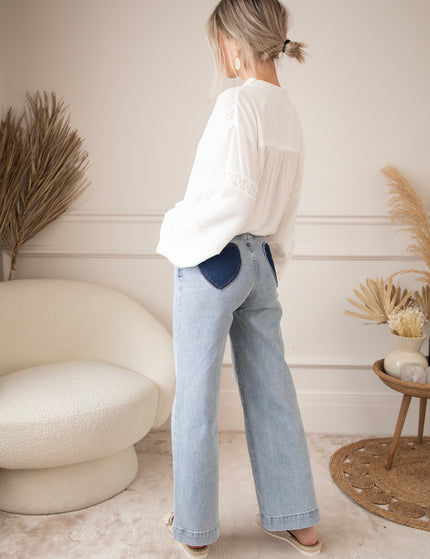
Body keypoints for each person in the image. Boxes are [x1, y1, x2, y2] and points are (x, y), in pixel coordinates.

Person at [157, 1, 321, 556]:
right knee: (274, 390)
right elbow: (287, 205)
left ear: (233, 42)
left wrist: (175, 225)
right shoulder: (289, 112)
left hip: (214, 260)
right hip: (261, 264)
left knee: (196, 398)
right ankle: (300, 521)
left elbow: (229, 196)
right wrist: (272, 262)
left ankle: (195, 530)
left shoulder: (236, 105)